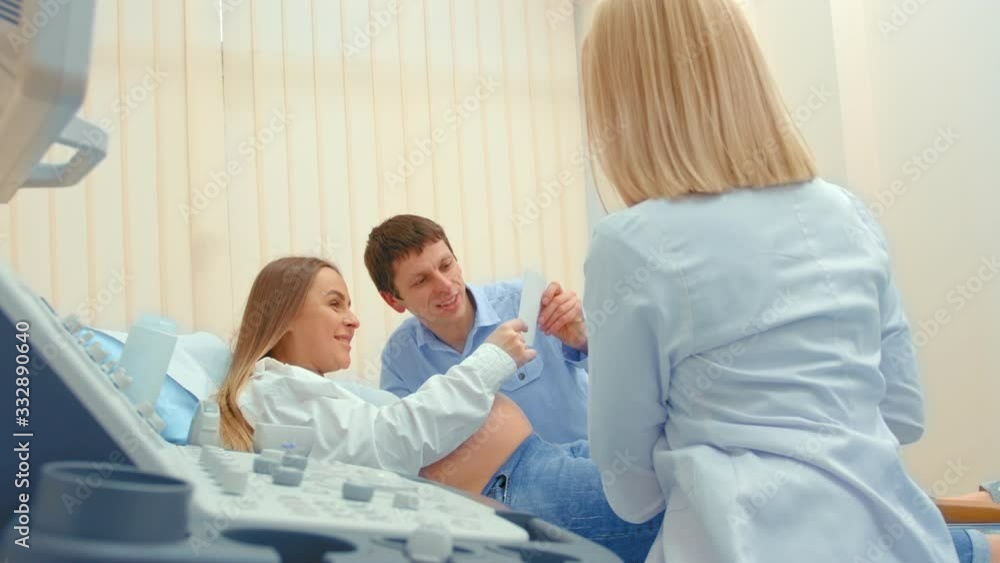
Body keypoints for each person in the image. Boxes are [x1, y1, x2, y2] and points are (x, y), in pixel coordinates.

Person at [578, 1, 990, 562]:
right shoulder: (847, 213)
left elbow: (630, 493)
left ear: (620, 106)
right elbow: (903, 413)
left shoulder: (629, 244)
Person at [214, 256, 661, 562]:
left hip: (541, 459)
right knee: (683, 501)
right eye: (335, 304)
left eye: (445, 265)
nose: (353, 319)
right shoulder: (271, 390)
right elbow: (390, 442)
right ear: (283, 314)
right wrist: (490, 361)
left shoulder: (307, 390)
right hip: (517, 487)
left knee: (680, 469)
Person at [364, 214, 589, 444]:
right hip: (492, 481)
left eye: (446, 265)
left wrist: (585, 342)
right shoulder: (399, 356)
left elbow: (619, 375)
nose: (444, 285)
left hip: (588, 468)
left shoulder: (526, 302)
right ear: (393, 300)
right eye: (421, 280)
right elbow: (402, 445)